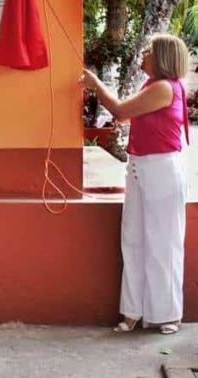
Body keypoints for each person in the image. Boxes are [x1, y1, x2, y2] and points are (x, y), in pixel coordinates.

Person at [80, 33, 190, 335]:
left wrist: (95, 84)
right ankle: (133, 311)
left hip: (161, 168)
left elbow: (120, 111)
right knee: (134, 238)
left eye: (149, 51)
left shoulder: (164, 88)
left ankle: (167, 313)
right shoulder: (151, 87)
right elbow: (129, 116)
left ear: (162, 58)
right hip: (141, 166)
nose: (143, 55)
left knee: (162, 242)